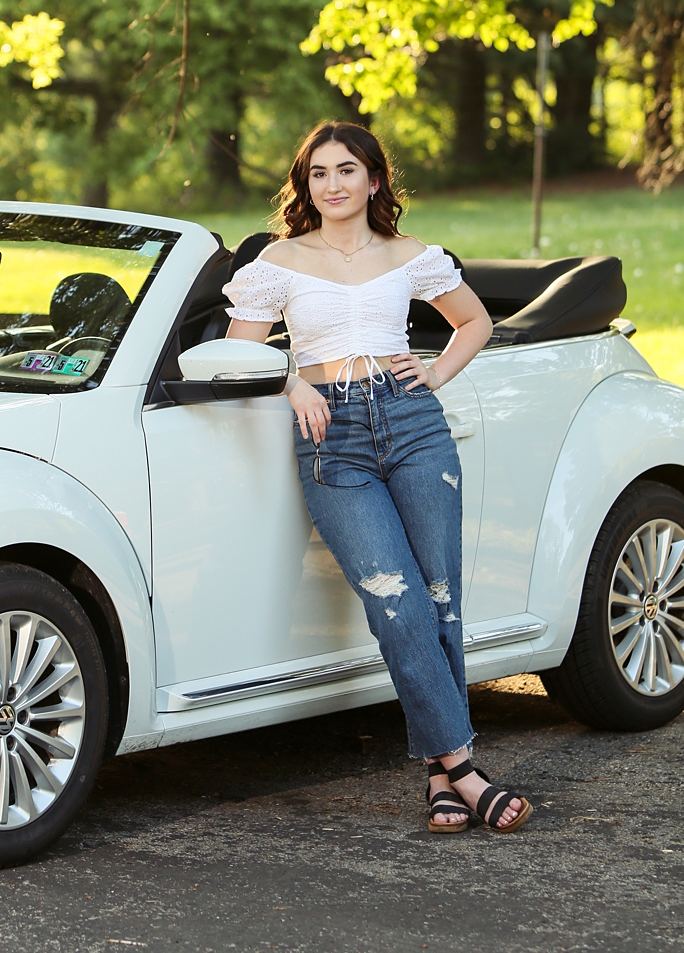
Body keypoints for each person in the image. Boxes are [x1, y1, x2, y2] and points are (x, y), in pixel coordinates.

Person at [223, 121, 533, 835]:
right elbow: (235, 356)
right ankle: (466, 768)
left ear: (374, 179)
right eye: (318, 173)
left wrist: (435, 372)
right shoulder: (280, 260)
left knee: (440, 596)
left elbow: (473, 323)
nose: (331, 185)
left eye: (345, 171)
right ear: (306, 185)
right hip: (334, 439)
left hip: (414, 424)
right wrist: (291, 383)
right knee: (396, 602)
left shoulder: (409, 256)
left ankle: (438, 775)